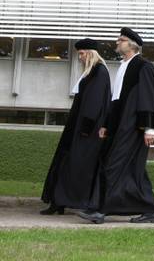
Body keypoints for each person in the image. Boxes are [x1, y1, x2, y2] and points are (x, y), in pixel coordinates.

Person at [78, 28, 154, 224]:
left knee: (113, 166)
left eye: (121, 40)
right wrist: (107, 124)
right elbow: (116, 99)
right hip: (120, 126)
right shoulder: (123, 66)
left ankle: (100, 211)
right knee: (134, 169)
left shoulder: (144, 66)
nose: (117, 43)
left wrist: (149, 129)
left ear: (131, 44)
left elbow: (149, 98)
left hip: (134, 127)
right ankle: (150, 209)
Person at [41, 39, 111, 215]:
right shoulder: (90, 73)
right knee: (64, 163)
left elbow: (94, 104)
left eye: (82, 53)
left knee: (78, 167)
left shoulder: (99, 72)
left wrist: (86, 128)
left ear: (91, 53)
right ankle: (58, 201)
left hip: (88, 129)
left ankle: (72, 202)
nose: (80, 57)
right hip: (78, 127)